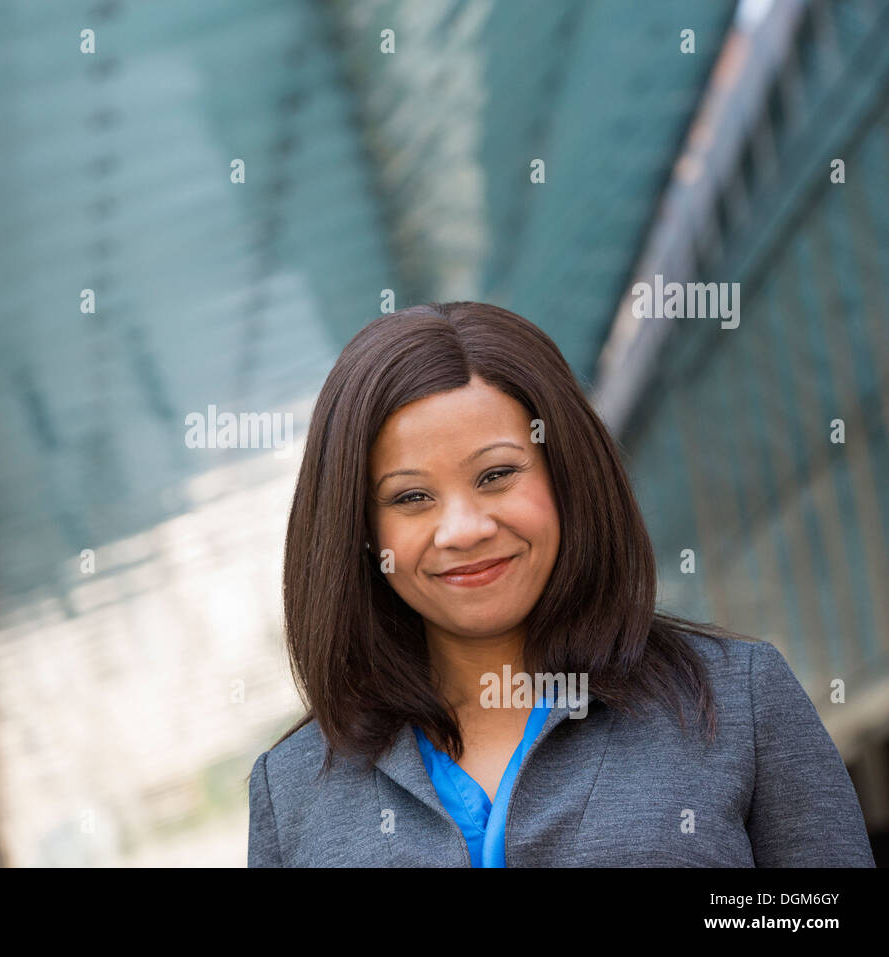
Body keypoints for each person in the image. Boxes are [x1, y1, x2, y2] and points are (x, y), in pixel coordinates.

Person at [247, 301, 875, 867]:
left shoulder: (740, 699)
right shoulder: (291, 789)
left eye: (496, 475)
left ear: (568, 475)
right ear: (359, 530)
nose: (463, 529)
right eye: (411, 497)